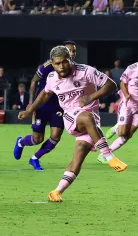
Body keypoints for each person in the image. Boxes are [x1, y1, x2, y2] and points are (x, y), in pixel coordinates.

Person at [17, 46, 127, 202]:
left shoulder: (85, 71)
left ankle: (56, 192)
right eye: (57, 63)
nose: (61, 66)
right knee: (87, 117)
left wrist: (91, 97)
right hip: (71, 117)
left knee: (78, 158)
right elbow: (44, 95)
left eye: (64, 62)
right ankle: (108, 155)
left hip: (92, 122)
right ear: (52, 64)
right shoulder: (52, 78)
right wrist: (29, 111)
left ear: (70, 60)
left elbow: (111, 85)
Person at [14, 41, 78, 170]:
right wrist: (31, 102)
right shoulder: (48, 65)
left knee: (55, 136)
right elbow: (34, 81)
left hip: (59, 107)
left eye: (73, 51)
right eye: (69, 50)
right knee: (37, 139)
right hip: (42, 105)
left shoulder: (75, 68)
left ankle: (35, 158)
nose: (71, 53)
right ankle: (21, 142)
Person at [102, 45, 138, 163]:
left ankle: (106, 154)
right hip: (128, 104)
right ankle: (116, 128)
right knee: (122, 132)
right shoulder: (132, 68)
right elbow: (123, 83)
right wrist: (126, 95)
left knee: (128, 135)